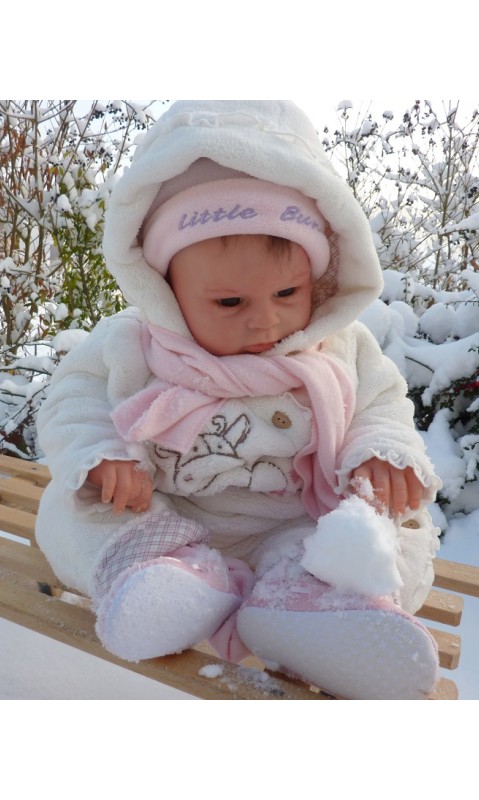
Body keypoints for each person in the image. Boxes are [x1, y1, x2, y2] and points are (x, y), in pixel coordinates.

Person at [35, 100, 443, 699]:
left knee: (392, 525)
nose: (266, 321)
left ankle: (318, 600)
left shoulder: (340, 347)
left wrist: (381, 451)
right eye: (230, 302)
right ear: (166, 289)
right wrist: (101, 455)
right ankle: (164, 584)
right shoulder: (132, 344)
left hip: (300, 526)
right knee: (69, 512)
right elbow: (72, 399)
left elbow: (381, 404)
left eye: (287, 293)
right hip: (164, 514)